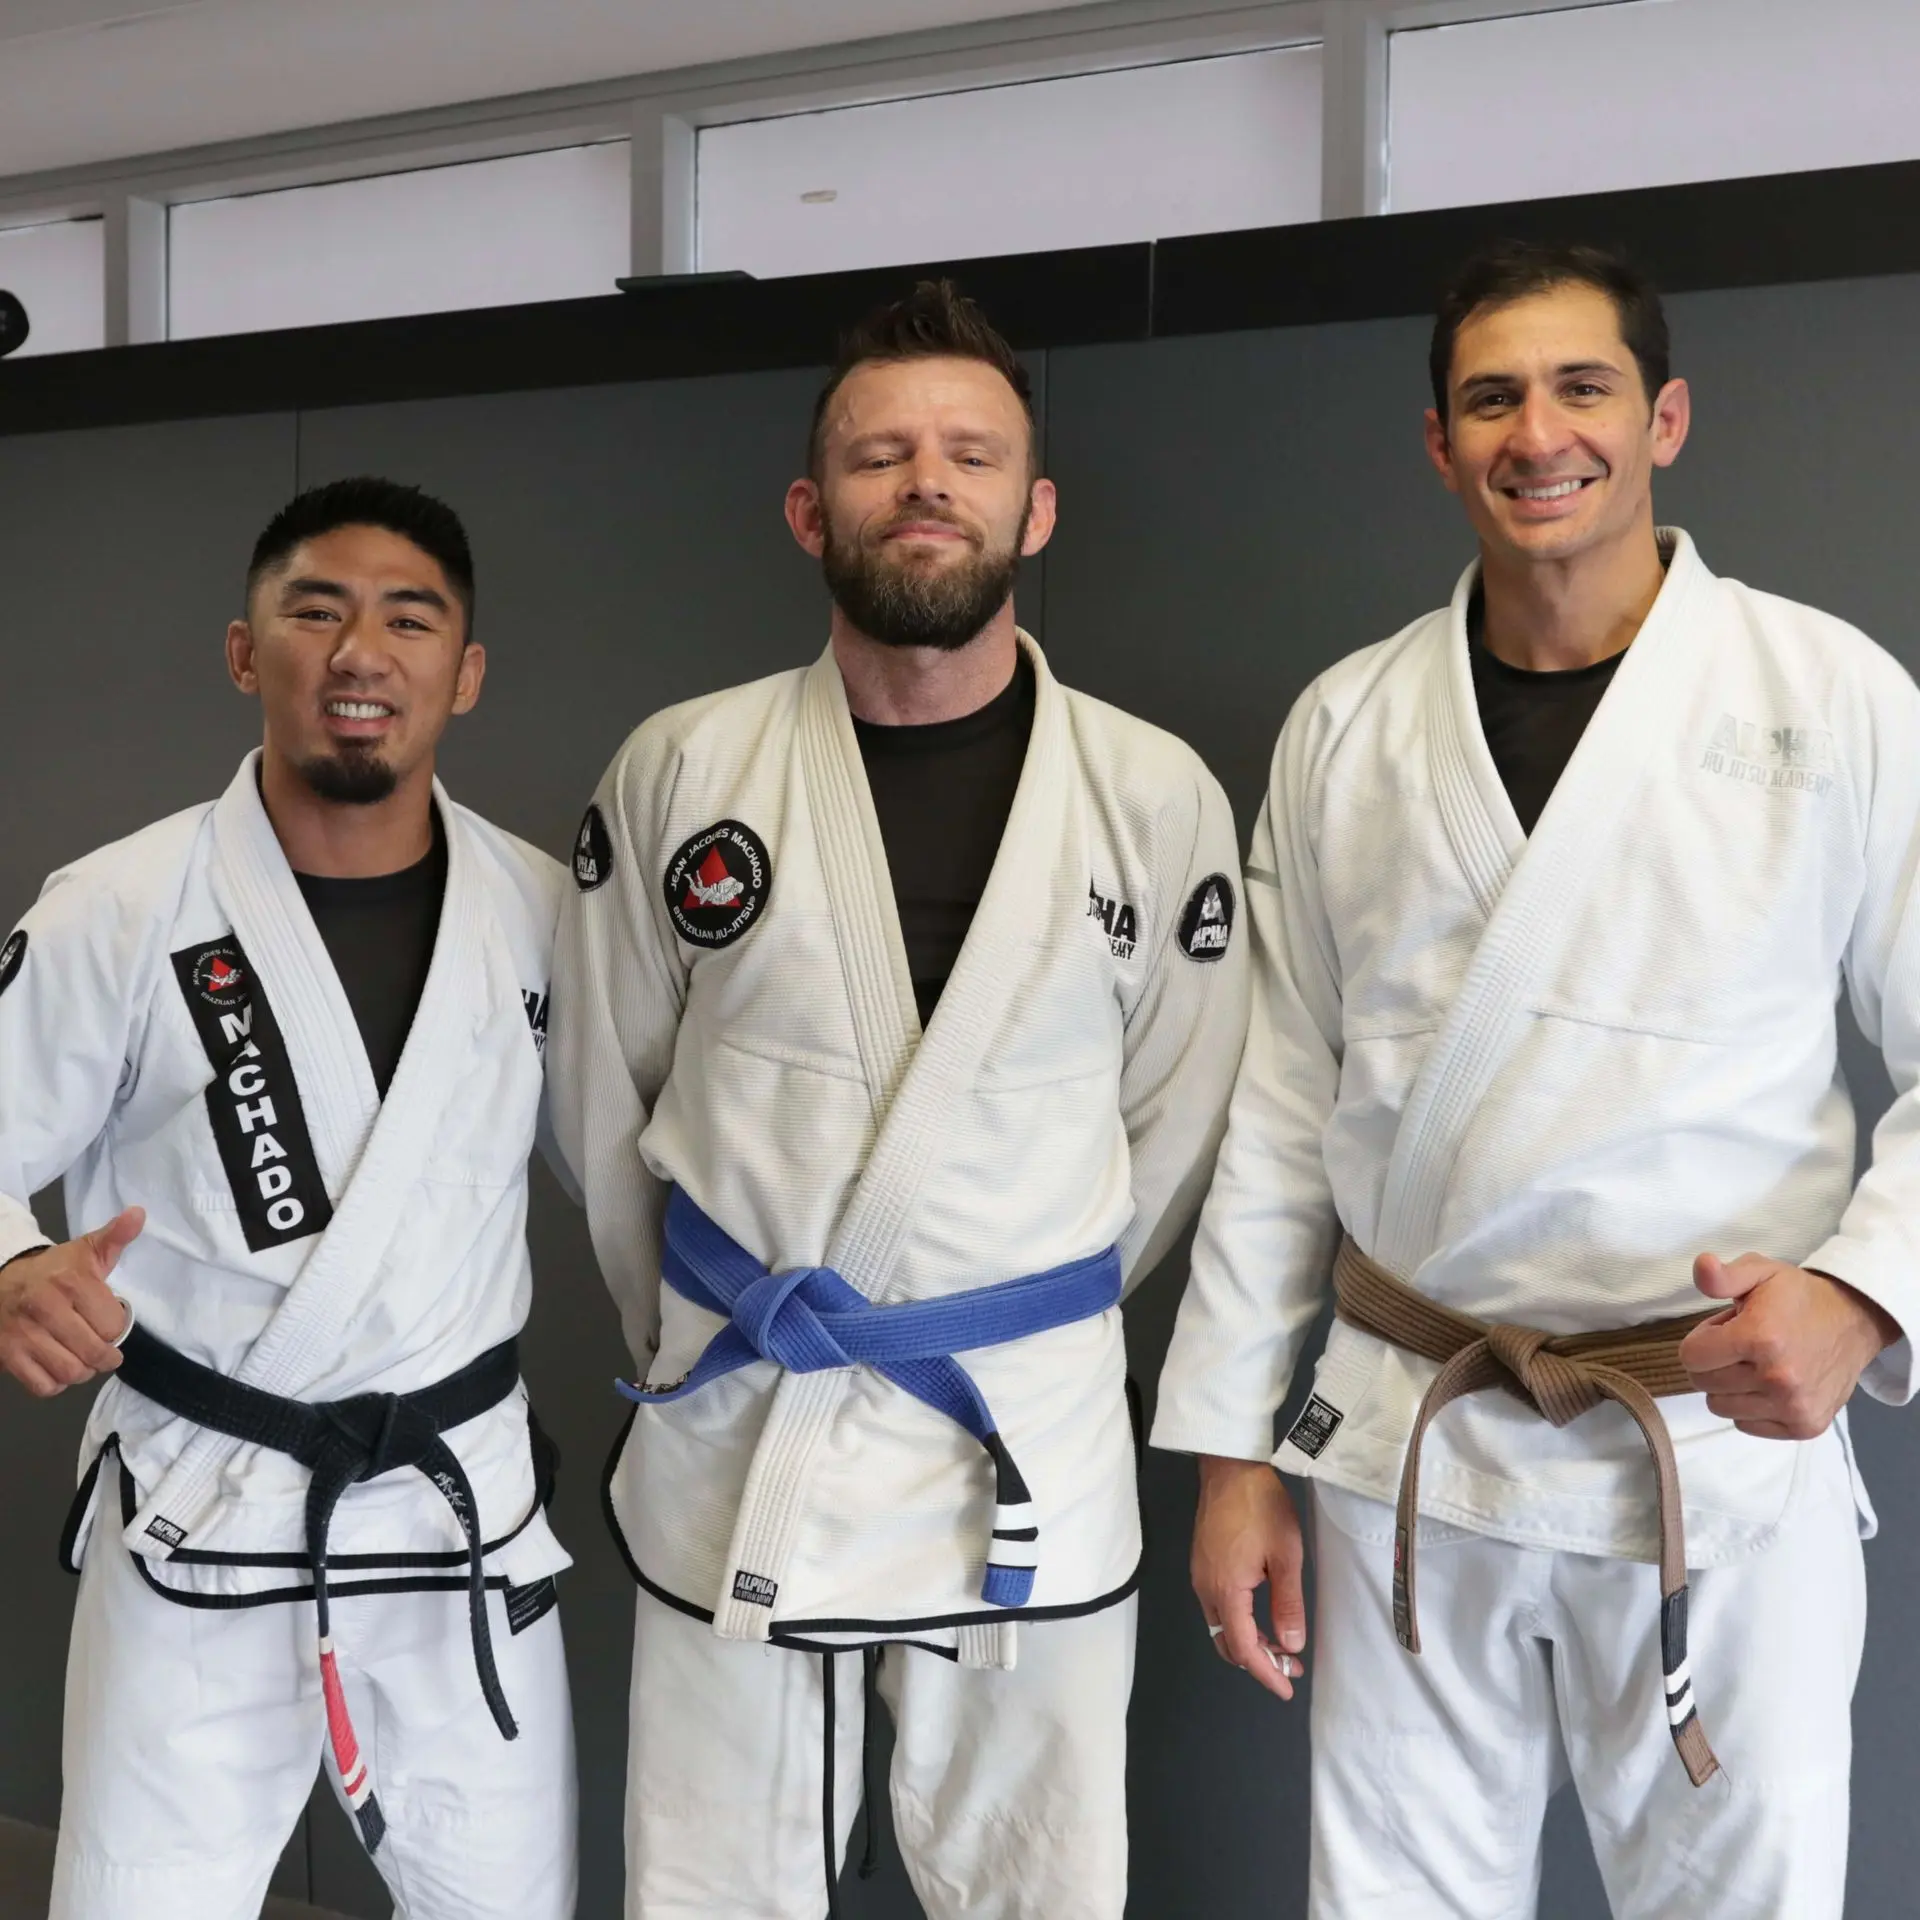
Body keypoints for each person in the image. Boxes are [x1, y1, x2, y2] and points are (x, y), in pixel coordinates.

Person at [1153, 240, 1920, 1918]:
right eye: (1490, 397)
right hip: (1412, 1434)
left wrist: (1862, 1298)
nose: (1538, 432)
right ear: (1439, 443)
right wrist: (1231, 1457)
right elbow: (1279, 1112)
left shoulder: (1831, 695)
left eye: (1583, 387)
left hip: (1705, 1439)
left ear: (1666, 419)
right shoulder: (1349, 726)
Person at [551, 279, 1249, 1920]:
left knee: (1038, 1885)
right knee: (714, 1884)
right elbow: (603, 1103)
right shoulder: (683, 768)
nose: (924, 483)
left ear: (1035, 506)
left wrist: (1011, 1304)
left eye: (968, 454)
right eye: (878, 456)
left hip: (1026, 1431)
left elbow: (1177, 1116)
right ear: (811, 510)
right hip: (745, 1418)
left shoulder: (1153, 794)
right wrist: (702, 1330)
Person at [0, 478, 578, 1920]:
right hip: (205, 1494)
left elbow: (652, 1160)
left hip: (459, 1523)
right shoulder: (122, 907)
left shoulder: (543, 912)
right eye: (314, 611)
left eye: (408, 618)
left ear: (468, 671)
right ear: (246, 653)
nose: (359, 653)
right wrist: (9, 1264)